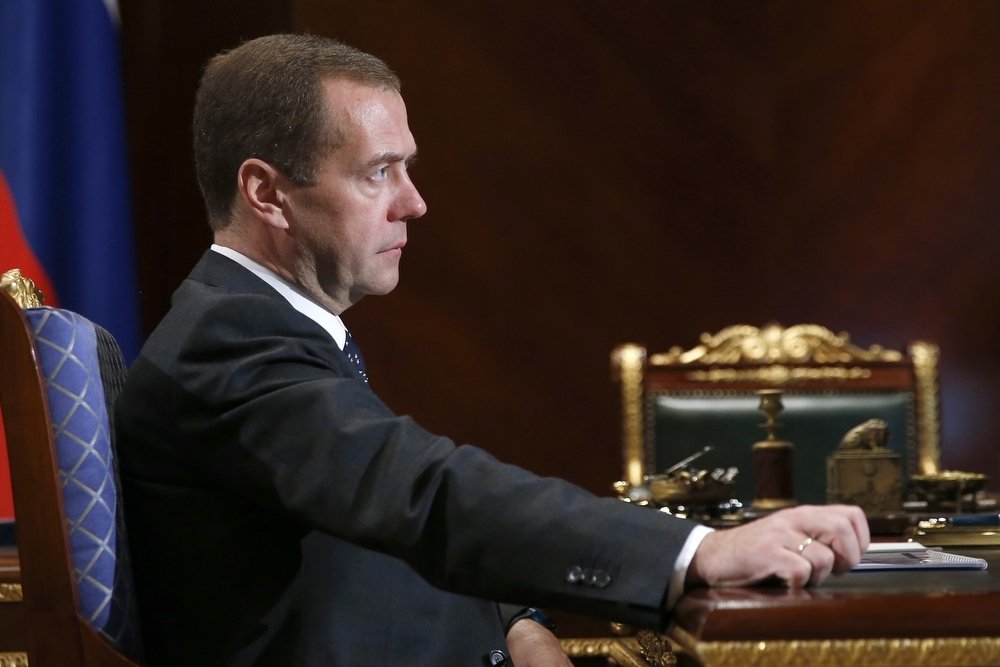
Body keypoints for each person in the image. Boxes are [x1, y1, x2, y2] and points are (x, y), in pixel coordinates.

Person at [115, 33, 870, 667]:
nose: (414, 202)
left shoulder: (266, 326)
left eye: (407, 168)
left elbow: (382, 528)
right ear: (266, 193)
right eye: (379, 172)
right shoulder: (227, 343)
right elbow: (420, 493)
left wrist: (516, 621)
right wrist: (698, 552)